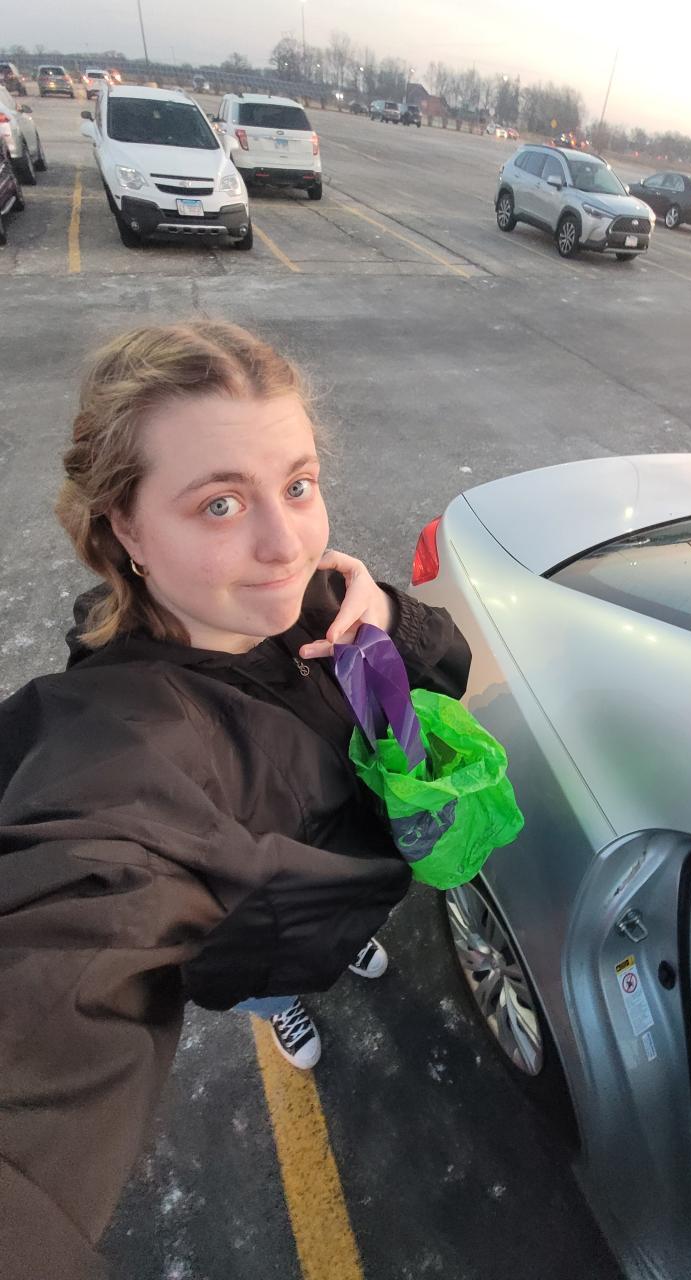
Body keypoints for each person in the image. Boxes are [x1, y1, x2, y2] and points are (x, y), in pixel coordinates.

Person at [0, 321, 470, 1279]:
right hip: (258, 939)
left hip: (343, 881)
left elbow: (446, 667)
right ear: (126, 528)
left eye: (297, 485)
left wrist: (385, 616)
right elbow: (60, 952)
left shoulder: (308, 600)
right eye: (219, 504)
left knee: (343, 933)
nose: (284, 543)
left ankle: (349, 940)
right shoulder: (123, 747)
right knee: (271, 984)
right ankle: (283, 1005)